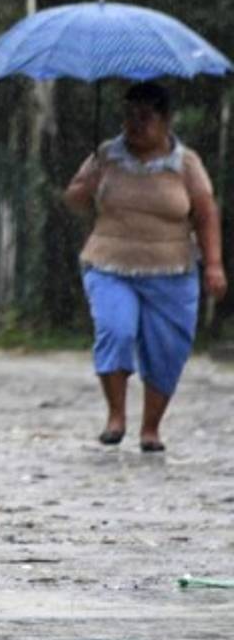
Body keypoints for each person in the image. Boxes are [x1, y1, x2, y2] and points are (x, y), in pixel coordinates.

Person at [63, 81, 226, 452]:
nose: (135, 124)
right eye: (129, 115)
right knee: (115, 330)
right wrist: (86, 186)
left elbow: (205, 213)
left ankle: (150, 428)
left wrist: (214, 265)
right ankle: (116, 416)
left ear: (166, 120)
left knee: (167, 349)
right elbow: (74, 198)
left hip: (172, 270)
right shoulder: (106, 156)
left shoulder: (186, 164)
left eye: (145, 116)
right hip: (109, 264)